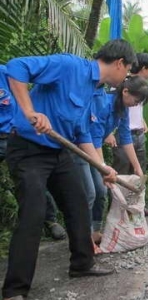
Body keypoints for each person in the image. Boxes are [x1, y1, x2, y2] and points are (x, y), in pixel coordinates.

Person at [2, 39, 135, 300]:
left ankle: (82, 264)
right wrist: (30, 112)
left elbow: (82, 132)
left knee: (78, 202)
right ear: (119, 63)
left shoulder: (93, 90)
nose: (126, 77)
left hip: (59, 152)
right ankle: (14, 290)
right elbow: (16, 67)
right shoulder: (69, 66)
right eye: (128, 70)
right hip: (28, 149)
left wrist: (101, 166)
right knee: (33, 211)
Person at [0, 65, 66, 242]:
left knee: (35, 182)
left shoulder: (4, 73)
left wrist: (27, 115)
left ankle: (50, 220)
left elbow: (21, 90)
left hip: (15, 135)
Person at [90, 76, 148, 244]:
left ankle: (95, 231)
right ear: (125, 92)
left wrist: (137, 168)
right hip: (83, 148)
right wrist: (103, 167)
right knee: (90, 192)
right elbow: (94, 137)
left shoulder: (122, 110)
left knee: (100, 191)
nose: (135, 105)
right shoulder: (104, 103)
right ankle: (84, 234)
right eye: (136, 100)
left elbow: (125, 138)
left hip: (94, 148)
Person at [109, 53, 148, 216]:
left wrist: (141, 121)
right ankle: (116, 210)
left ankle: (138, 207)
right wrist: (110, 132)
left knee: (138, 171)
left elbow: (136, 108)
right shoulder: (121, 84)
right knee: (120, 174)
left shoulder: (142, 88)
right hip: (123, 134)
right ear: (142, 68)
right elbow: (114, 109)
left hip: (138, 134)